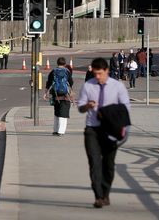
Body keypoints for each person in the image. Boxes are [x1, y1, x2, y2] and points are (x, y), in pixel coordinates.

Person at [77, 58, 131, 208]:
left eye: (100, 73)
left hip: (110, 129)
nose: (98, 77)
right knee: (94, 163)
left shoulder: (117, 86)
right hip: (92, 129)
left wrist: (120, 124)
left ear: (107, 70)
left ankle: (106, 193)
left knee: (108, 164)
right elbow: (80, 107)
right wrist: (88, 105)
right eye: (95, 74)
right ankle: (98, 196)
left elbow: (125, 107)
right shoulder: (88, 86)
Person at [44, 57, 74, 135]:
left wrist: (46, 93)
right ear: (64, 64)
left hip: (55, 94)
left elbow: (48, 83)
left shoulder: (53, 71)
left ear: (57, 63)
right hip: (65, 94)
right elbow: (71, 82)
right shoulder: (67, 72)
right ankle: (61, 131)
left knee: (56, 112)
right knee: (63, 113)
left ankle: (55, 130)